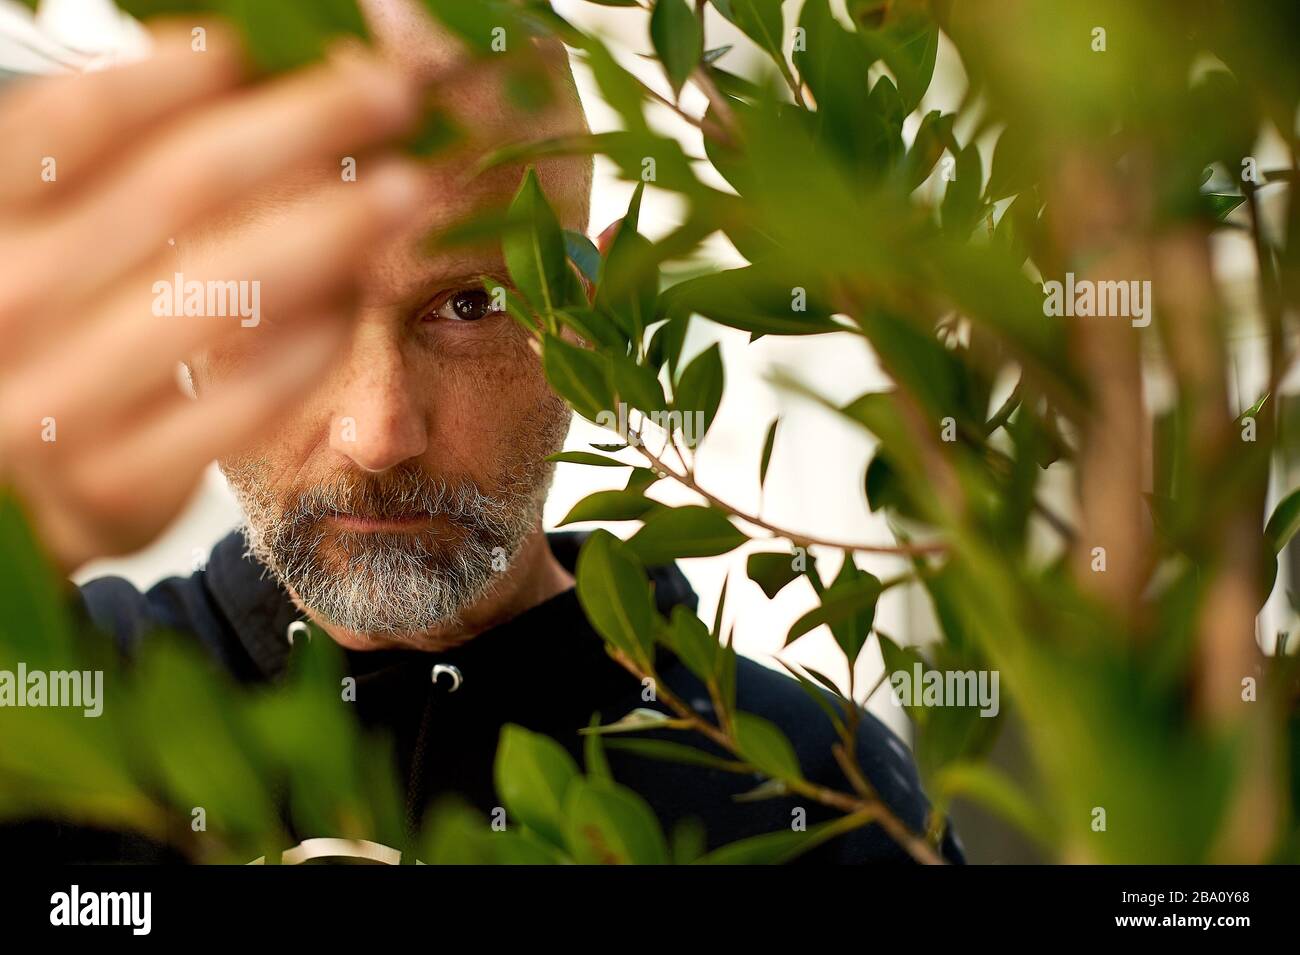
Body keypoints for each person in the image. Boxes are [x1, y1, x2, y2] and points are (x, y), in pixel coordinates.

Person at [0, 0, 961, 864]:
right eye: (295, 310)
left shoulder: (823, 796)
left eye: (468, 304)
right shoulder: (48, 711)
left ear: (588, 309)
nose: (379, 432)